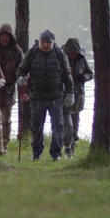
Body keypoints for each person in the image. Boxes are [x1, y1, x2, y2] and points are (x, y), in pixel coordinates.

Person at [17, 30, 74, 161]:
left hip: (56, 97)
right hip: (37, 97)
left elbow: (67, 75)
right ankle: (36, 152)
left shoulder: (60, 54)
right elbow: (21, 69)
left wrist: (70, 93)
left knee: (58, 127)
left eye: (48, 42)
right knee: (37, 126)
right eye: (43, 42)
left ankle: (56, 153)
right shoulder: (32, 53)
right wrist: (21, 78)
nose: (45, 45)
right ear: (39, 42)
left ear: (53, 43)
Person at [0, 24, 24, 155]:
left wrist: (23, 84)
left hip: (9, 89)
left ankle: (5, 144)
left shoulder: (17, 51)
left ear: (11, 38)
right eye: (2, 35)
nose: (4, 38)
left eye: (7, 36)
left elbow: (22, 69)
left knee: (6, 119)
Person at [61, 38, 94, 158]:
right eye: (70, 53)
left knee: (75, 123)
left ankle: (73, 143)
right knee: (67, 123)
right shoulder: (61, 58)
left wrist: (83, 77)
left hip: (78, 97)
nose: (72, 55)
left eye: (75, 53)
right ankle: (67, 146)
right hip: (64, 96)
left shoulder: (82, 59)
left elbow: (90, 74)